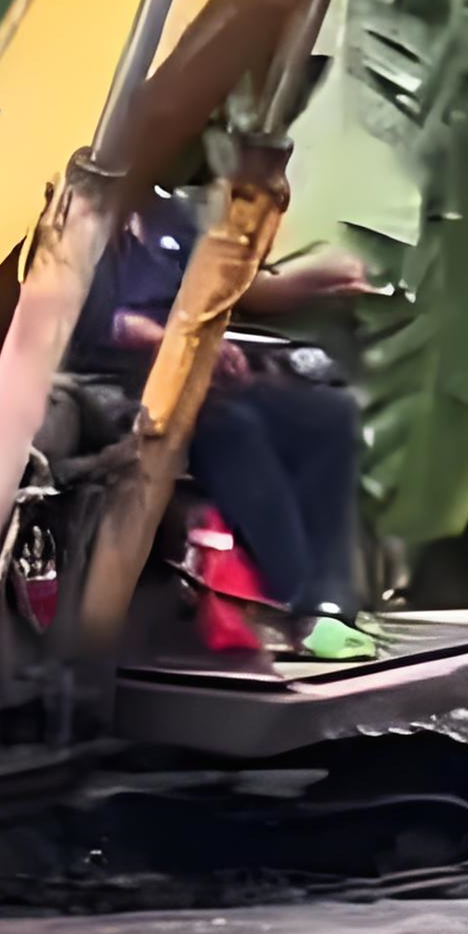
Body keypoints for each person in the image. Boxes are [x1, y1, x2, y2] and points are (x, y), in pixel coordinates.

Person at [76, 188, 382, 661]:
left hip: (195, 371)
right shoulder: (80, 221)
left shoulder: (167, 215)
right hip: (122, 378)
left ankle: (331, 602)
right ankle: (294, 600)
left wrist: (225, 342)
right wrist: (173, 343)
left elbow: (216, 295)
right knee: (234, 428)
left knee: (327, 414)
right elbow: (96, 322)